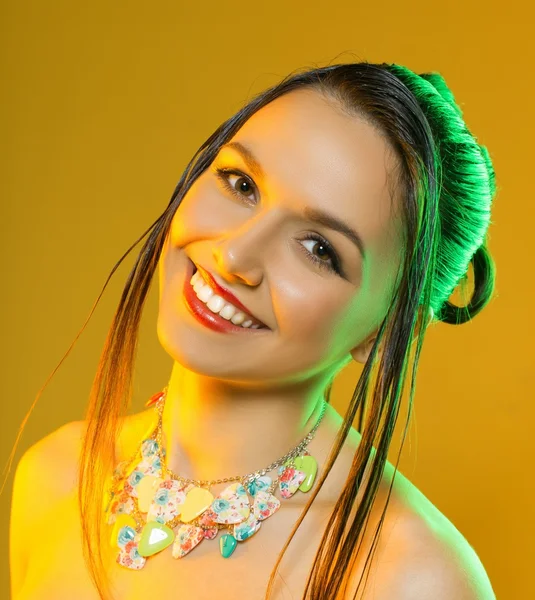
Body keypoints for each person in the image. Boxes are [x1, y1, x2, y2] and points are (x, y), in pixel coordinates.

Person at [8, 61, 497, 599]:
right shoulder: (55, 478)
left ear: (384, 334)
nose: (235, 253)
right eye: (241, 184)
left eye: (319, 250)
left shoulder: (409, 578)